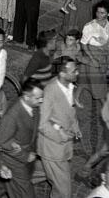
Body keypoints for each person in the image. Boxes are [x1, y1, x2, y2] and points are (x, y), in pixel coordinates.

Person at [36, 56, 81, 198]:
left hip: (61, 149)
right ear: (62, 73)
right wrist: (60, 134)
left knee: (37, 172)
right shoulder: (50, 91)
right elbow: (42, 123)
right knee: (63, 192)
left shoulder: (69, 86)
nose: (78, 73)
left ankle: (14, 178)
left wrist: (75, 127)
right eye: (74, 71)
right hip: (52, 148)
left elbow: (70, 109)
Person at [0, 78, 43, 198]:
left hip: (29, 156)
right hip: (15, 162)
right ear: (26, 97)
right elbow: (3, 142)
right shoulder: (12, 116)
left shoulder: (34, 106)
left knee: (13, 188)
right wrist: (25, 156)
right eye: (38, 98)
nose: (41, 100)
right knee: (26, 193)